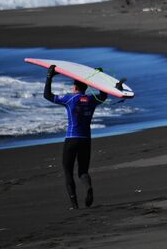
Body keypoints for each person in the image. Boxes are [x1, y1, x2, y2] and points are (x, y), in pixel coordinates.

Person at [43, 65, 121, 209]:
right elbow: (103, 95)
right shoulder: (91, 100)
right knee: (83, 171)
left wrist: (49, 77)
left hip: (72, 139)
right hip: (86, 139)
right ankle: (88, 188)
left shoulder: (69, 99)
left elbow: (47, 95)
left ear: (75, 88)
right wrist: (99, 78)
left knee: (67, 171)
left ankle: (74, 205)